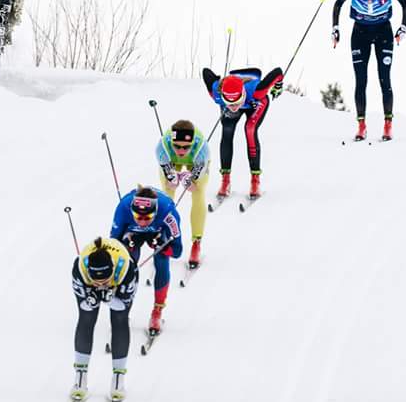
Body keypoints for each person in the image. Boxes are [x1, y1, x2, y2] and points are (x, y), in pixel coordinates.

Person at [331, 0, 406, 141]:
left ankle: (388, 124)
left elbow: (405, 5)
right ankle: (361, 125)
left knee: (384, 78)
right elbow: (338, 4)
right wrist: (335, 28)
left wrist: (402, 28)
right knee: (361, 80)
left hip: (384, 32)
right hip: (360, 34)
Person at [70, 236, 138, 402]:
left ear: (112, 270)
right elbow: (85, 308)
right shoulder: (80, 270)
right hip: (90, 282)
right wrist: (90, 300)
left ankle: (118, 380)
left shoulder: (125, 269)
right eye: (97, 281)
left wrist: (111, 300)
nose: (101, 284)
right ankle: (80, 377)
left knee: (120, 320)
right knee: (86, 318)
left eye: (105, 280)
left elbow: (123, 307)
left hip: (121, 279)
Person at [201, 66, 284, 199]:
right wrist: (219, 80)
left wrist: (278, 85)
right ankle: (225, 181)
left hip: (254, 102)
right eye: (229, 103)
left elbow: (278, 72)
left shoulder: (257, 90)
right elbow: (206, 71)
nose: (234, 107)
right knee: (227, 130)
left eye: (236, 102)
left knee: (250, 129)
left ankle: (255, 181)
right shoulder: (216, 91)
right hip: (237, 97)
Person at [110, 186, 183, 335]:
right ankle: (123, 309)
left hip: (158, 233)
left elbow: (177, 251)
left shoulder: (168, 213)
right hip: (132, 234)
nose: (143, 222)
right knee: (127, 263)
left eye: (147, 218)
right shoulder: (123, 208)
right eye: (138, 217)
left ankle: (157, 310)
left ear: (155, 213)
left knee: (162, 260)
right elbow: (113, 245)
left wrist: (163, 248)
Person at [155, 119, 209, 268]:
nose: (181, 150)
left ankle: (196, 242)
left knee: (198, 192)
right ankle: (164, 237)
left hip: (195, 162)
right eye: (177, 146)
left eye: (186, 147)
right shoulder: (162, 148)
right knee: (167, 194)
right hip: (171, 161)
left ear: (192, 144)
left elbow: (197, 176)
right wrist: (172, 178)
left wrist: (190, 180)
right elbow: (168, 176)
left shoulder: (202, 150)